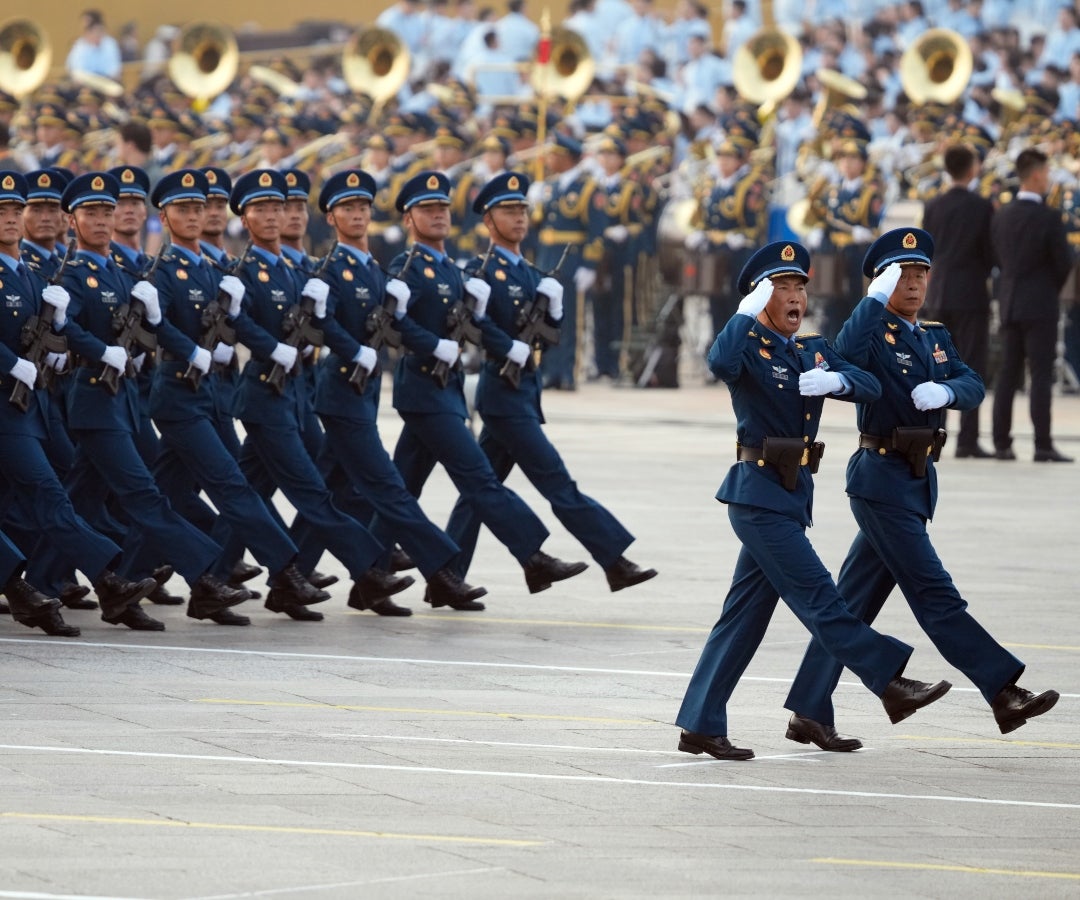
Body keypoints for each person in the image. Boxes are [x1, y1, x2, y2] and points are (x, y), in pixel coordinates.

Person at [675, 240, 952, 761]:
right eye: (783, 287)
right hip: (757, 497)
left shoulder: (811, 350)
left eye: (800, 286)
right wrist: (743, 313)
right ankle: (888, 678)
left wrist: (837, 378)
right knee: (821, 599)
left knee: (743, 617)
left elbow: (868, 384)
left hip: (790, 496)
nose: (796, 296)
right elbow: (719, 361)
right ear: (762, 297)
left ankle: (701, 724)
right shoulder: (750, 347)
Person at [784, 229, 1060, 749]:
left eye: (920, 274)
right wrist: (870, 300)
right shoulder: (872, 332)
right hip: (881, 477)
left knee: (852, 603)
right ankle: (1002, 690)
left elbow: (973, 383)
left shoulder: (932, 334)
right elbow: (842, 353)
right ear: (882, 281)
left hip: (914, 480)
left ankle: (808, 711)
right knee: (935, 594)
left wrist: (947, 390)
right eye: (901, 275)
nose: (913, 284)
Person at [444, 172, 658, 592]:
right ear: (488, 221)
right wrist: (507, 346)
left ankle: (446, 574)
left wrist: (554, 312)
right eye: (509, 211)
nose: (519, 218)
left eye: (523, 210)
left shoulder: (529, 271)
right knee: (559, 484)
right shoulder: (481, 269)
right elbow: (472, 323)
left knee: (480, 491)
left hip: (522, 393)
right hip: (502, 394)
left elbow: (547, 337)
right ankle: (614, 559)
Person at [387, 170, 590, 604]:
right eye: (428, 210)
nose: (439, 215)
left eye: (443, 208)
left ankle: (372, 567)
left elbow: (476, 325)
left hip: (448, 390)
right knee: (479, 478)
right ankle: (531, 555)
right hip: (423, 390)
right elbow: (392, 325)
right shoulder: (404, 267)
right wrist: (434, 344)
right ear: (408, 219)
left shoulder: (455, 270)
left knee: (399, 488)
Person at [57, 172, 248, 630]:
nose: (104, 221)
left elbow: (142, 331)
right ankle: (204, 571)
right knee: (144, 495)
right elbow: (64, 331)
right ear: (73, 221)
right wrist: (99, 348)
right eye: (93, 213)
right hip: (92, 399)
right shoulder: (69, 277)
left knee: (70, 499)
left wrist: (157, 326)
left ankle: (55, 581)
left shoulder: (125, 274)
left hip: (122, 401)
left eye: (108, 212)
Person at [225, 169, 413, 622]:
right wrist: (270, 345)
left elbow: (315, 324)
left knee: (252, 492)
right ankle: (368, 564)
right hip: (265, 393)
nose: (278, 216)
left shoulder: (298, 271)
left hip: (296, 393)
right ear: (245, 219)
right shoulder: (244, 271)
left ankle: (216, 574)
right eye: (265, 209)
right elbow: (239, 323)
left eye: (284, 208)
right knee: (314, 491)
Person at [297, 168, 488, 613]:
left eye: (363, 207)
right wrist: (348, 349)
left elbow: (393, 323)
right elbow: (319, 323)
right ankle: (442, 568)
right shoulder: (329, 270)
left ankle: (299, 573)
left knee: (333, 490)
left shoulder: (378, 271)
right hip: (340, 391)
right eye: (348, 208)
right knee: (387, 488)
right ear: (331, 217)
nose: (358, 215)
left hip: (365, 393)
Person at [145, 169, 331, 624]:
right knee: (232, 486)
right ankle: (283, 568)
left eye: (201, 207)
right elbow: (156, 326)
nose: (196, 215)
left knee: (155, 494)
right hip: (177, 393)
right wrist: (188, 346)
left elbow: (231, 321)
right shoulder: (163, 271)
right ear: (165, 217)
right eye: (185, 209)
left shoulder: (214, 269)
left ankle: (130, 577)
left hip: (209, 394)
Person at [0, 170, 159, 636]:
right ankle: (104, 578)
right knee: (49, 494)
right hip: (7, 404)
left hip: (25, 409)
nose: (9, 220)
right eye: (2, 213)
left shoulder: (29, 275)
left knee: (34, 500)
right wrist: (11, 364)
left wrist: (58, 343)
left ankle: (29, 590)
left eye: (13, 211)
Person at [990, 148, 1074, 463]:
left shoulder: (1002, 214)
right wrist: (1047, 286)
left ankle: (1001, 443)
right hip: (1040, 304)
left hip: (1010, 300)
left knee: (1007, 376)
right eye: (1047, 173)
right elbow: (1064, 262)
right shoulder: (1050, 217)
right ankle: (1042, 444)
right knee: (1039, 374)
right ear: (1037, 175)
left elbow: (997, 255)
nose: (1049, 179)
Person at [921, 143, 996, 458]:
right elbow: (990, 252)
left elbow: (927, 248)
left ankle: (930, 434)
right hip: (971, 293)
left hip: (938, 292)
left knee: (935, 367)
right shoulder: (982, 206)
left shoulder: (933, 204)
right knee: (970, 366)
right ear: (972, 169)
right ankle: (968, 439)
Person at [65, 10, 122, 80]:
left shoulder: (110, 44)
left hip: (107, 80)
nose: (83, 27)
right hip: (86, 82)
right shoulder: (79, 46)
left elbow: (114, 69)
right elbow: (75, 69)